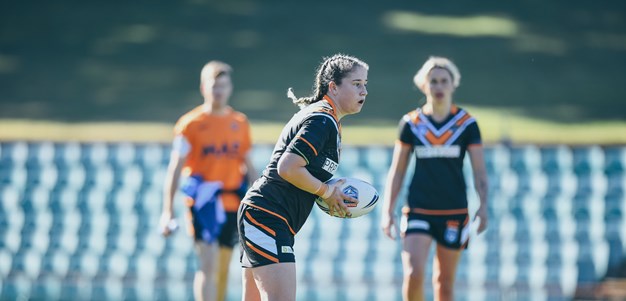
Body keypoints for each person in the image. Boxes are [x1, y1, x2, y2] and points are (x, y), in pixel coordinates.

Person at [237, 54, 369, 301]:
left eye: (365, 84)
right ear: (333, 87)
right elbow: (287, 168)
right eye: (356, 84)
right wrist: (327, 192)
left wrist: (326, 189)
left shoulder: (326, 118)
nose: (364, 90)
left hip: (266, 214)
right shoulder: (321, 119)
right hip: (268, 214)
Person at [380, 56, 489, 301]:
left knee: (444, 284)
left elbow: (480, 171)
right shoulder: (411, 123)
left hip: (454, 210)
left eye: (443, 81)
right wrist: (387, 210)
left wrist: (484, 205)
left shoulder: (467, 124)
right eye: (433, 82)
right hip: (419, 208)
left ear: (453, 84)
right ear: (424, 86)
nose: (438, 87)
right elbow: (397, 170)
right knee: (413, 273)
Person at [161, 60, 257, 301]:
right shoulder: (190, 124)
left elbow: (248, 165)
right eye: (214, 86)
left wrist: (258, 201)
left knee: (223, 266)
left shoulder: (240, 123)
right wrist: (167, 211)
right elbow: (175, 168)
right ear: (204, 88)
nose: (219, 91)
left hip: (232, 201)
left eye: (223, 86)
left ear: (230, 88)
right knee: (209, 264)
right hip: (204, 201)